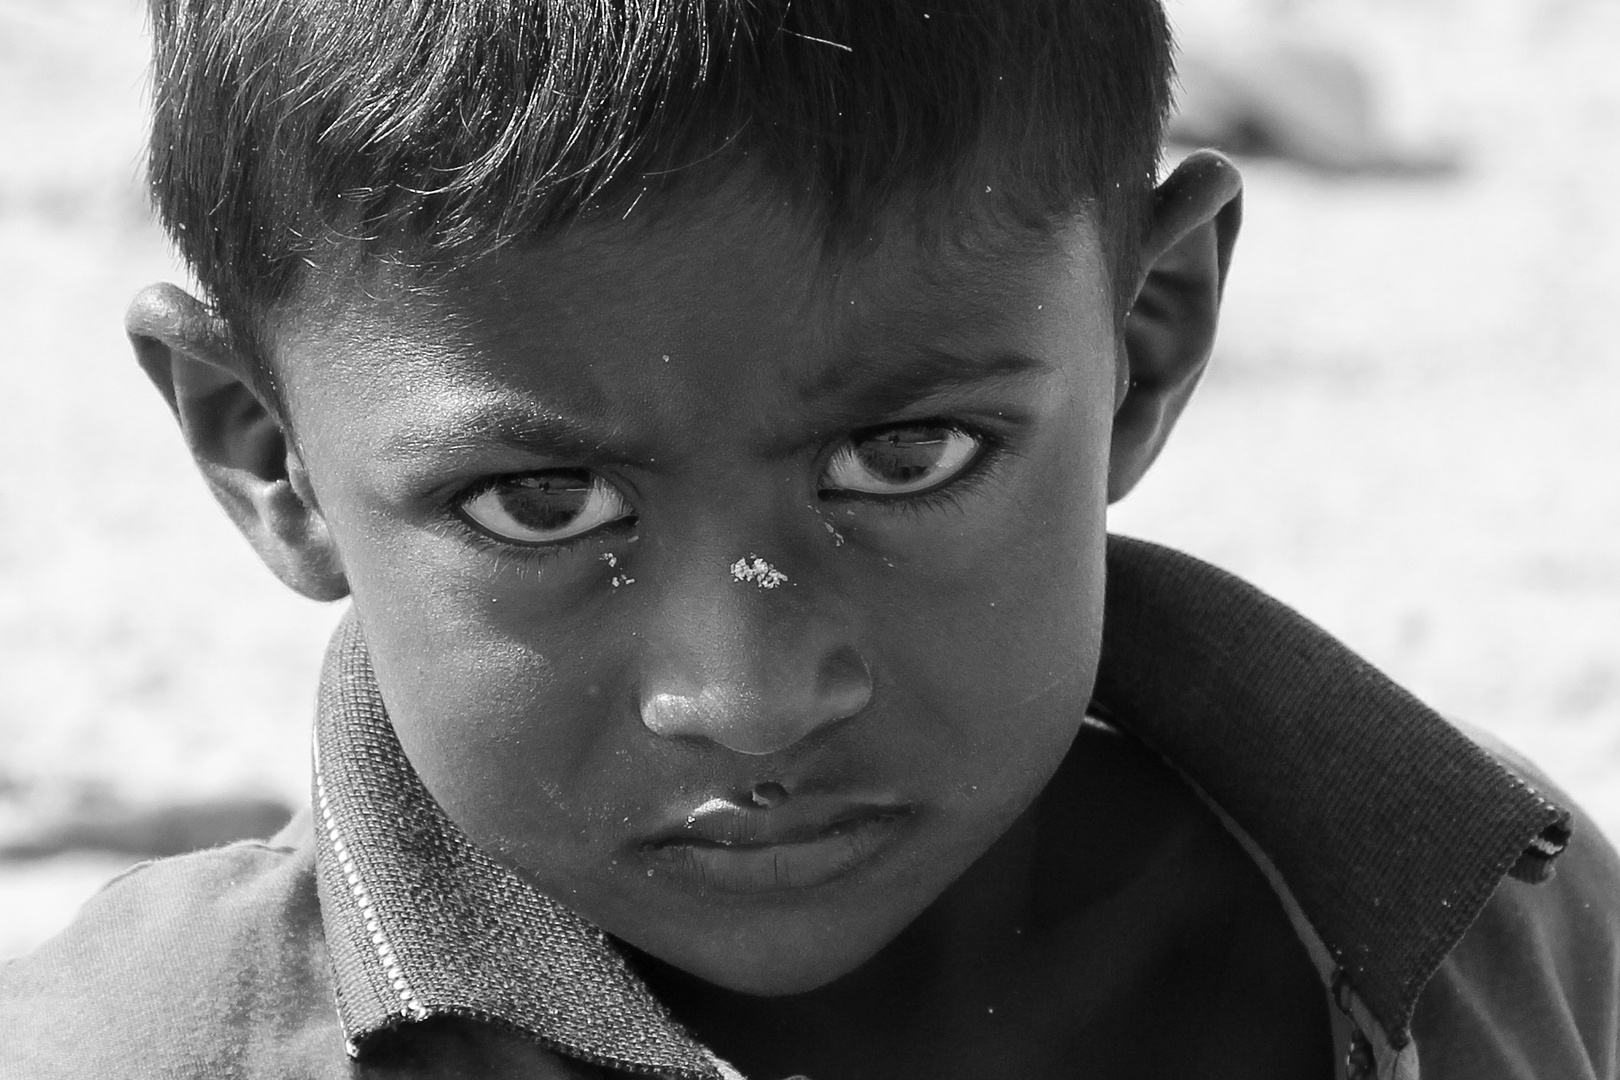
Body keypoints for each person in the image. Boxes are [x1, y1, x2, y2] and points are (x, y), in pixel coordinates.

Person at [2, 1, 1615, 1077]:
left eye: (906, 457)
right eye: (542, 503)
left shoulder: (1502, 935)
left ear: (1151, 333)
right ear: (268, 453)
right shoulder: (130, 1051)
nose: (751, 696)